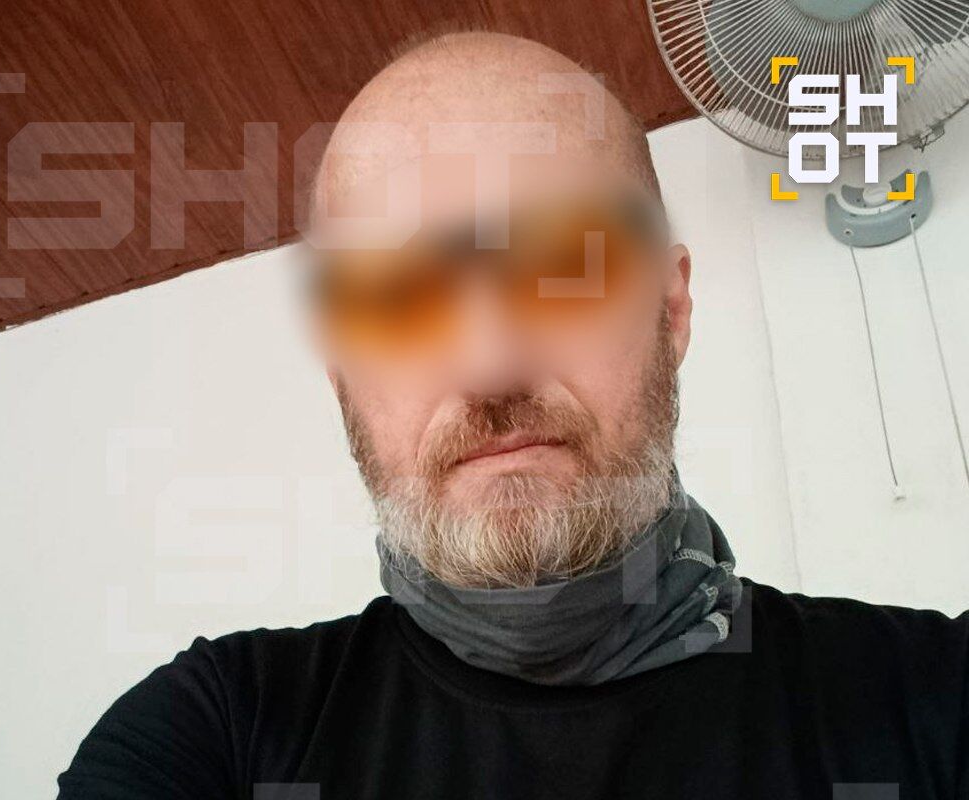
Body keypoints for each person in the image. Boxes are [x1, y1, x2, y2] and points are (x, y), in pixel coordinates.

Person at [58, 31, 968, 800]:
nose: (489, 363)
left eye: (565, 268)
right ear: (342, 376)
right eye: (401, 296)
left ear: (671, 309)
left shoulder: (932, 699)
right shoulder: (220, 733)